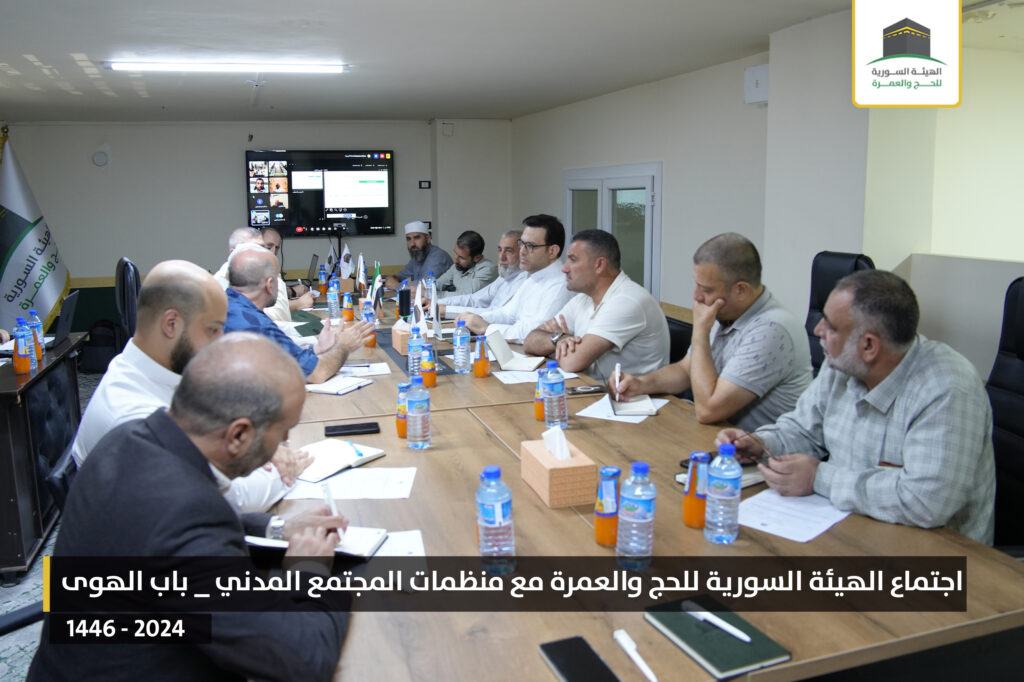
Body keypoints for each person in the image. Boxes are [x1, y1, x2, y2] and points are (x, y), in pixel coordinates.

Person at [28, 334, 350, 681]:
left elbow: (165, 529)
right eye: (283, 431)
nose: (285, 443)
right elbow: (304, 659)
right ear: (238, 435)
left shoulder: (128, 438)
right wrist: (308, 571)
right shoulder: (184, 515)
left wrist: (276, 528)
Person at [717, 270, 996, 544]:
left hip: (939, 554)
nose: (817, 330)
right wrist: (762, 443)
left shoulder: (947, 389)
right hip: (847, 527)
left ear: (869, 346)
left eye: (831, 326)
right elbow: (804, 430)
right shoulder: (842, 364)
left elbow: (925, 502)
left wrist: (818, 478)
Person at [70, 260, 306, 513]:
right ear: (171, 324)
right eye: (212, 329)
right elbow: (228, 500)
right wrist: (286, 470)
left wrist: (259, 449)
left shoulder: (147, 367)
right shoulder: (134, 420)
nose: (220, 341)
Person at [612, 233, 811, 429]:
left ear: (741, 290)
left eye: (706, 289)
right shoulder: (728, 312)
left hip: (758, 446)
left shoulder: (772, 329)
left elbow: (708, 410)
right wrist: (641, 383)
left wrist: (700, 331)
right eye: (697, 285)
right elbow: (686, 370)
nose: (696, 296)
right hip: (719, 437)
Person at [524, 230, 669, 382]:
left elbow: (571, 363)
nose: (564, 269)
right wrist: (559, 339)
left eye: (573, 260)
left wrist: (556, 347)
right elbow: (530, 341)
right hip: (592, 388)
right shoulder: (583, 298)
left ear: (599, 265)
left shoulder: (627, 300)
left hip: (631, 395)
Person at [223, 248, 373, 384]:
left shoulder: (230, 306)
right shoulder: (255, 325)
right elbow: (317, 373)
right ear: (269, 284)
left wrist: (318, 348)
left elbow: (285, 357)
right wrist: (344, 346)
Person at [457, 214, 572, 344]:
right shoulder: (532, 277)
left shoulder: (561, 285)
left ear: (552, 251)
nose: (522, 251)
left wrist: (486, 328)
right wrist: (474, 319)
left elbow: (535, 334)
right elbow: (507, 314)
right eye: (521, 243)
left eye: (530, 246)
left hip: (534, 355)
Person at [437, 230, 526, 319]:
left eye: (509, 251)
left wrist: (447, 310)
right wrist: (437, 302)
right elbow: (475, 299)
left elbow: (497, 313)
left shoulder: (525, 281)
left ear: (523, 253)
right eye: (500, 250)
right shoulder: (504, 277)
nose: (501, 257)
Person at [384, 220, 453, 289]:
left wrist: (397, 286)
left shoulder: (437, 257)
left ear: (428, 239)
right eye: (408, 239)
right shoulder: (417, 256)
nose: (412, 244)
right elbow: (400, 275)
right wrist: (392, 278)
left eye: (417, 238)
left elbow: (424, 287)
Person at [261, 226, 316, 310]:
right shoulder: (252, 269)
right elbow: (268, 307)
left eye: (277, 248)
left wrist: (293, 291)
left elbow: (276, 293)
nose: (274, 252)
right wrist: (300, 303)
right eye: (269, 247)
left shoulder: (270, 267)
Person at [432, 230, 497, 297]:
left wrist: (434, 295)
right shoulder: (458, 265)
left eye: (461, 257)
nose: (455, 261)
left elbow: (466, 296)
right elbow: (439, 283)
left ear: (477, 258)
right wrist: (428, 288)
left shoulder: (487, 269)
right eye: (455, 253)